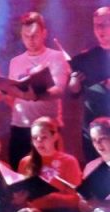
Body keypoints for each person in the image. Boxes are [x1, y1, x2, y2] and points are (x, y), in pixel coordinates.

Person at [4, 12, 70, 169]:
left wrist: (34, 96)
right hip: (20, 126)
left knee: (50, 173)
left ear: (44, 33)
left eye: (34, 35)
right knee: (20, 173)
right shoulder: (15, 61)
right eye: (26, 36)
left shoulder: (56, 57)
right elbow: (11, 92)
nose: (30, 40)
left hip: (48, 127)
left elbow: (59, 90)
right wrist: (12, 94)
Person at [15, 116, 82, 212]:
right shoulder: (25, 162)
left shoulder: (68, 161)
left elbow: (77, 199)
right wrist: (19, 200)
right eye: (35, 138)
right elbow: (20, 195)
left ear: (55, 137)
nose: (39, 141)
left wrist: (53, 198)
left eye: (43, 137)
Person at [67, 7, 110, 163]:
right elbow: (74, 93)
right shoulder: (86, 58)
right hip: (93, 131)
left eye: (104, 24)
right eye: (96, 25)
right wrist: (74, 83)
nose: (100, 29)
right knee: (95, 171)